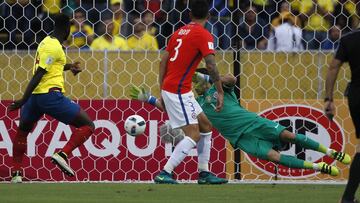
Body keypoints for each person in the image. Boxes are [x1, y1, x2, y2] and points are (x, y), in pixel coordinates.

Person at [131, 69, 352, 178]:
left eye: (195, 79)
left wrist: (209, 79)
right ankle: (319, 166)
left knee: (289, 136)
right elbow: (168, 106)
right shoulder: (193, 103)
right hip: (240, 139)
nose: (192, 83)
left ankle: (331, 151)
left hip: (253, 123)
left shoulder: (218, 90)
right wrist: (147, 99)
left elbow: (232, 80)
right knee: (274, 157)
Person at [8, 14, 95, 183]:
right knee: (88, 125)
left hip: (36, 98)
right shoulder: (54, 46)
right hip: (49, 96)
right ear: (67, 28)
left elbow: (51, 67)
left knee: (22, 132)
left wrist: (69, 67)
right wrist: (22, 100)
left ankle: (16, 173)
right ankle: (63, 153)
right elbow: (39, 73)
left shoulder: (45, 42)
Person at [154, 0, 225, 184]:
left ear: (190, 15)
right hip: (178, 90)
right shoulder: (204, 35)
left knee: (205, 126)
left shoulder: (178, 33)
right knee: (193, 134)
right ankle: (165, 172)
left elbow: (164, 60)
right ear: (208, 17)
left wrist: (161, 87)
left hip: (174, 88)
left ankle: (204, 173)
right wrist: (220, 91)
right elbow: (211, 65)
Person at [324, 27, 360, 203]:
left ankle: (347, 197)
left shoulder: (349, 39)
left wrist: (329, 99)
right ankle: (346, 197)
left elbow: (333, 67)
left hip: (356, 95)